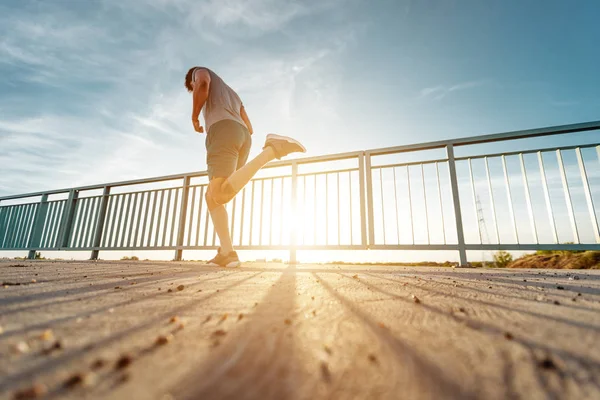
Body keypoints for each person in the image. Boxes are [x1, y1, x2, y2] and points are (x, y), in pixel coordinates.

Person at [185, 66, 306, 267]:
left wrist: (194, 116)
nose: (194, 88)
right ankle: (226, 252)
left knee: (219, 195)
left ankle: (272, 151)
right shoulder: (232, 94)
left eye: (192, 86)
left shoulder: (200, 72)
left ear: (191, 81)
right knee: (212, 196)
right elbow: (249, 126)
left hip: (222, 131)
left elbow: (203, 82)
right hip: (242, 136)